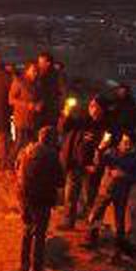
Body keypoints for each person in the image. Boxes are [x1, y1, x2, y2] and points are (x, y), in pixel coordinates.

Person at [14, 125, 65, 271]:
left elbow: (16, 167)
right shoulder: (51, 156)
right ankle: (36, 268)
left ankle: (23, 264)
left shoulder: (25, 151)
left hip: (24, 196)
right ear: (52, 139)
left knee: (27, 229)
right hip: (42, 198)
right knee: (40, 233)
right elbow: (60, 181)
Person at [86, 131, 136, 248]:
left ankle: (119, 246)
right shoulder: (112, 152)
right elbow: (99, 164)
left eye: (127, 142)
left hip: (121, 192)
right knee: (97, 214)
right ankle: (91, 238)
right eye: (123, 141)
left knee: (119, 219)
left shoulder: (135, 159)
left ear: (132, 144)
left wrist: (125, 175)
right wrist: (100, 149)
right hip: (106, 189)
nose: (123, 144)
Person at [59, 96, 106, 229]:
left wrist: (96, 165)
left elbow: (103, 148)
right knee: (70, 196)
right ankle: (68, 222)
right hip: (74, 165)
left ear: (102, 109)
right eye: (91, 105)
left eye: (96, 106)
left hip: (90, 168)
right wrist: (66, 112)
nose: (92, 108)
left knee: (89, 198)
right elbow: (64, 128)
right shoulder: (83, 120)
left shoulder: (104, 126)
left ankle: (91, 227)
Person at [8, 62, 43, 158]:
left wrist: (39, 104)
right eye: (33, 70)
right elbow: (11, 99)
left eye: (37, 71)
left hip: (33, 119)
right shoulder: (19, 81)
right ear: (27, 70)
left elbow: (39, 97)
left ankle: (25, 164)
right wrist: (27, 105)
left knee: (31, 144)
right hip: (21, 118)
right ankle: (9, 163)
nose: (35, 73)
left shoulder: (37, 83)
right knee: (19, 142)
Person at [35, 52, 67, 130]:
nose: (39, 64)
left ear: (48, 63)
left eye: (41, 62)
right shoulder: (39, 74)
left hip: (50, 111)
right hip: (41, 110)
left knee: (49, 131)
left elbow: (62, 92)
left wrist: (61, 108)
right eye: (39, 62)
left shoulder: (56, 76)